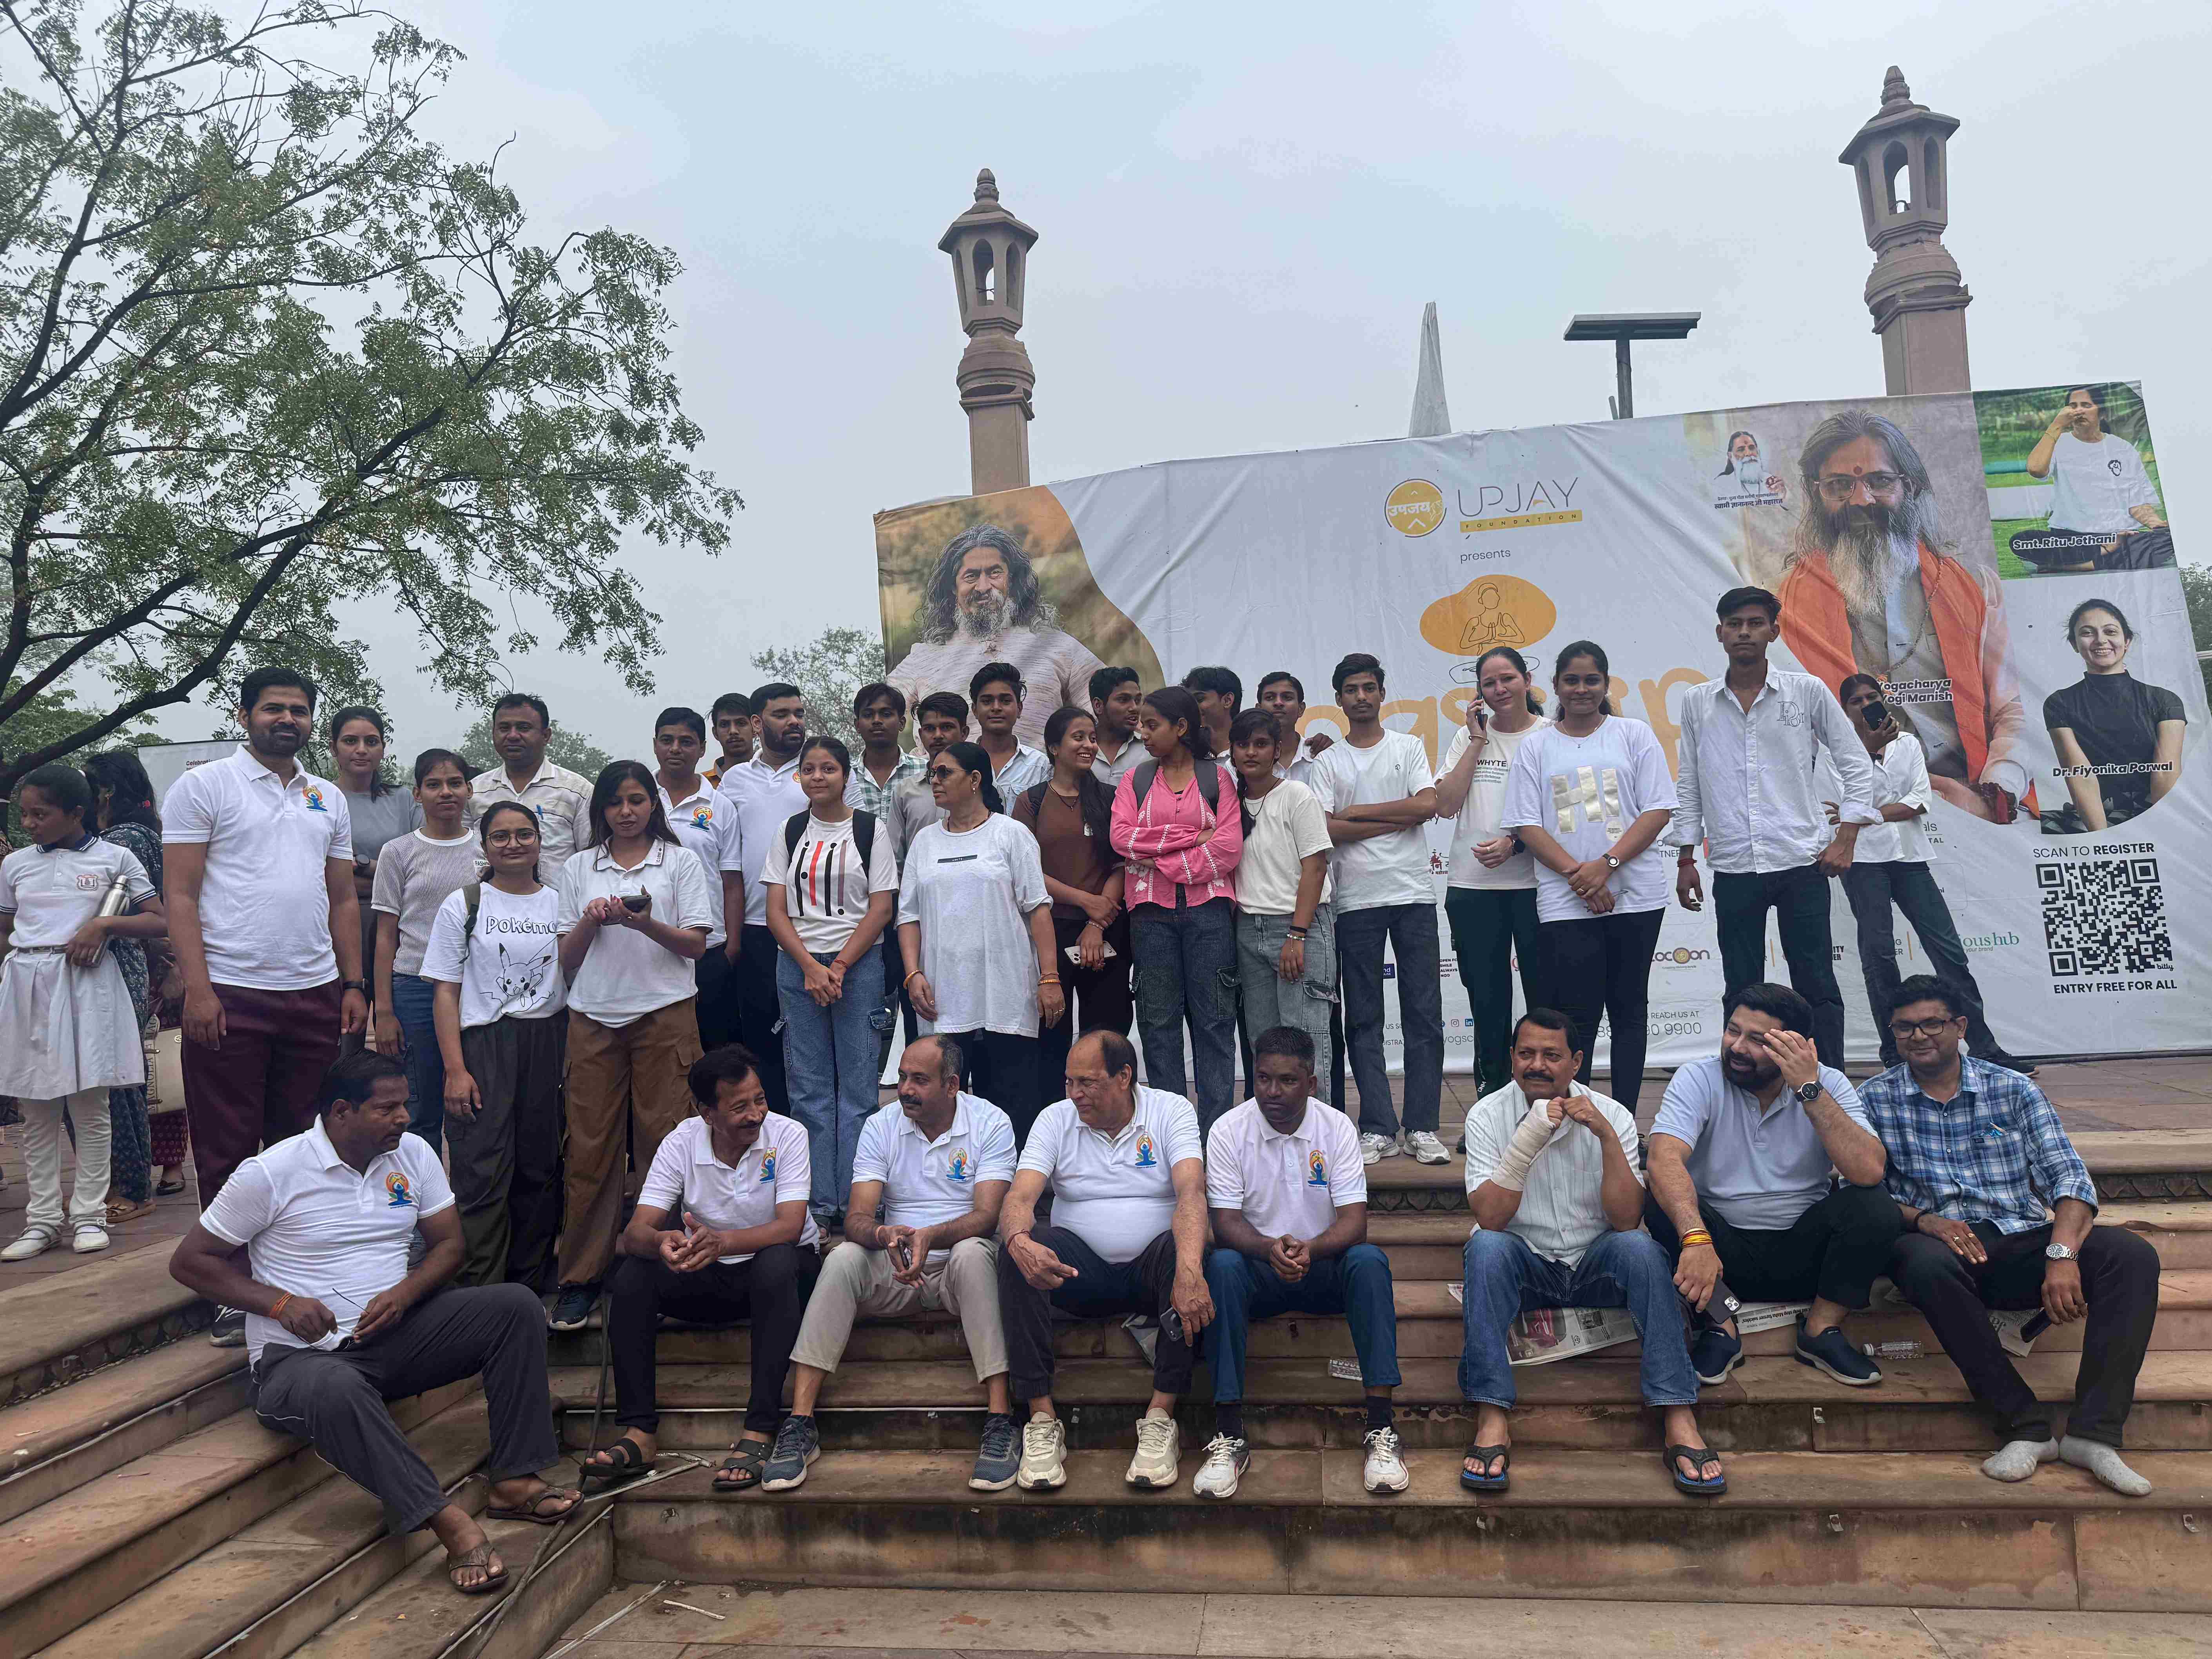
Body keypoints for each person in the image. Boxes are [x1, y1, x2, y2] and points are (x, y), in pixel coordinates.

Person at [171, 1052, 579, 1594]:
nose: (404, 1117)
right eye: (387, 1108)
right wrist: (280, 1303)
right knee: (337, 1386)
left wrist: (405, 1294)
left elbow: (450, 1245)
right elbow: (190, 1262)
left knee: (515, 1306)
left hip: (391, 1339)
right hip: (299, 1361)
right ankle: (446, 1520)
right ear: (341, 1112)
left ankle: (515, 1479)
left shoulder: (412, 1153)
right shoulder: (272, 1171)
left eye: (405, 1104)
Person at [1867, 976, 2159, 1496]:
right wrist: (1924, 1220)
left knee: (2130, 1254)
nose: (1918, 1036)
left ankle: (2093, 1434)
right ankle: (2024, 1427)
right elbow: (1860, 1197)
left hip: (2021, 1238)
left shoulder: (2012, 1088)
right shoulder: (1873, 1099)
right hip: (1940, 1250)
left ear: (1960, 1027)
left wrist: (2061, 1254)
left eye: (1931, 1023)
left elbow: (2069, 1178)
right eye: (1904, 1027)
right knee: (1920, 1260)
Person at [166, 668, 368, 1345]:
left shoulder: (326, 797)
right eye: (273, 708)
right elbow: (180, 895)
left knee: (300, 1145)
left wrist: (353, 983)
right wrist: (198, 988)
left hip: (313, 992)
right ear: (244, 714)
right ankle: (229, 1290)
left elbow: (343, 898)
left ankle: (288, 1276)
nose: (287, 719)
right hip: (229, 991)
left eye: (299, 710)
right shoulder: (204, 787)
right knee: (227, 1145)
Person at [1458, 1009, 1720, 1497]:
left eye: (1551, 1055)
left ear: (1576, 1061)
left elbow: (1625, 1219)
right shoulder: (1487, 1115)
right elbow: (1491, 1217)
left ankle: (1678, 1412)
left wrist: (1606, 1137)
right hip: (1526, 1262)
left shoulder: (1613, 1114)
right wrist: (1527, 1138)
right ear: (1512, 1058)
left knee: (1640, 1248)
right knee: (1486, 1246)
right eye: (1526, 1053)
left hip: (1595, 1261)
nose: (1537, 1064)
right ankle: (1492, 1413)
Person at [772, 1036, 1021, 1492]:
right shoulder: (882, 1124)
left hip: (959, 1268)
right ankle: (800, 1423)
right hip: (897, 1266)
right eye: (903, 1076)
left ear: (952, 1085)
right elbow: (857, 1218)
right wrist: (885, 1235)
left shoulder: (990, 1122)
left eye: (919, 1079)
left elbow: (988, 1217)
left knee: (973, 1252)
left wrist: (931, 1236)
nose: (905, 1088)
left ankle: (1001, 1419)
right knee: (843, 1256)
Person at [579, 1045, 820, 1496]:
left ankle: (759, 1429)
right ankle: (639, 1432)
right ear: (706, 1112)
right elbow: (637, 1231)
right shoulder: (682, 1141)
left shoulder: (787, 1134)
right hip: (709, 1271)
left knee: (777, 1260)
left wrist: (723, 1241)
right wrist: (663, 1242)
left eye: (760, 1099)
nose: (756, 1114)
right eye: (740, 1106)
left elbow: (790, 1227)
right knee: (632, 1275)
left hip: (782, 1278)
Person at [1777, 410, 2029, 823]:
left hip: (1973, 801)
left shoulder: (1974, 587)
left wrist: (1996, 790)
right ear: (1816, 493)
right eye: (1840, 485)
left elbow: (2013, 709)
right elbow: (1790, 730)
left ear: (1909, 486)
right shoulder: (1787, 605)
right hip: (1856, 808)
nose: (1861, 500)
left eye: (1880, 481)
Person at [1645, 984, 1900, 1389]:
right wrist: (1695, 1238)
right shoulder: (1699, 1077)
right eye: (1733, 1030)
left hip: (1806, 1255)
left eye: (1757, 1040)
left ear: (1795, 1047)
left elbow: (1868, 1170)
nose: (1737, 1047)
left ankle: (1820, 1331)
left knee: (1874, 1204)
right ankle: (1723, 1326)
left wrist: (1808, 1089)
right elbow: (1663, 1158)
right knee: (1660, 1195)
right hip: (1718, 1258)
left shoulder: (1828, 1083)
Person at [996, 1031, 1211, 1492]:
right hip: (1078, 1273)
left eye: (1087, 1082)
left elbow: (1192, 1191)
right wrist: (1018, 1239)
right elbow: (1020, 1196)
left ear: (1124, 1076)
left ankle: (1160, 1417)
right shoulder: (1056, 1118)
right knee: (1016, 1249)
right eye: (1069, 1081)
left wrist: (1191, 1268)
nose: (1075, 1093)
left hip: (1154, 1271)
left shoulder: (1171, 1110)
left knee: (1189, 1249)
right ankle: (1041, 1418)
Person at [1673, 588, 1876, 1069]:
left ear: (1774, 631)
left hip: (1801, 862)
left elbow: (1855, 761)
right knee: (1740, 987)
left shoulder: (1806, 691)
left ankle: (1827, 1084)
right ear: (1720, 632)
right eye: (1735, 623)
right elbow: (1689, 782)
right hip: (1734, 866)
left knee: (1816, 984)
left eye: (1755, 623)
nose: (1744, 632)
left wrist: (1846, 837)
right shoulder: (1698, 702)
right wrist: (1685, 856)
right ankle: (1743, 1081)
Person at [1200, 1026, 1404, 1497]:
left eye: (1287, 1080)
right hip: (1258, 1271)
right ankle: (1229, 1433)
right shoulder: (1228, 1129)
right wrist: (1269, 1248)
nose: (1272, 1091)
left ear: (1311, 1083)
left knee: (1369, 1261)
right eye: (1263, 1078)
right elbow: (1225, 1223)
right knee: (1222, 1266)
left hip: (1322, 1267)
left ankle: (1381, 1427)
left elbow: (1355, 1222)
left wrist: (1310, 1249)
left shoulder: (1337, 1127)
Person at [548, 761, 715, 1332]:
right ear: (601, 809)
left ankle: (664, 1270)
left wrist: (644, 924)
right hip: (593, 1017)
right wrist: (592, 922)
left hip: (665, 1016)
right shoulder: (579, 867)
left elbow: (696, 945)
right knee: (588, 1151)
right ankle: (580, 1279)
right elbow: (566, 958)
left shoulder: (679, 861)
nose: (626, 811)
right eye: (615, 802)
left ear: (653, 805)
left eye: (637, 800)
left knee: (666, 1146)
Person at [1500, 642, 1674, 1112]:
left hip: (1636, 896)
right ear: (1555, 686)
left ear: (1606, 684)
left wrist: (1606, 866)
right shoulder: (1537, 745)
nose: (1581, 689)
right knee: (1577, 1016)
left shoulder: (1633, 734)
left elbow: (1657, 810)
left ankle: (1625, 1120)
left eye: (1591, 680)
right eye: (1572, 680)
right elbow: (1526, 824)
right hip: (1565, 900)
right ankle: (1579, 1119)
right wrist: (1582, 878)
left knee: (1629, 1009)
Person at [0, 765, 165, 1260]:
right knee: (36, 1109)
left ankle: (89, 1215)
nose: (28, 824)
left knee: (91, 1106)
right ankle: (43, 1220)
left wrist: (104, 925)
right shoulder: (16, 865)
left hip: (88, 982)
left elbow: (158, 919)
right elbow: (5, 928)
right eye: (24, 814)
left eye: (40, 814)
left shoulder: (116, 857)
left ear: (76, 812)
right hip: (28, 983)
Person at [1831, 674, 2032, 1072]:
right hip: (1864, 861)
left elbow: (1919, 802)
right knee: (1879, 956)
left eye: (1872, 697)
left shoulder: (1906, 743)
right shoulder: (1835, 750)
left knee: (1948, 951)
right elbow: (1839, 803)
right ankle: (1893, 1052)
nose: (1867, 705)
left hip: (1910, 856)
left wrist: (1866, 814)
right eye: (1857, 701)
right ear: (1845, 709)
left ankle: (1985, 1047)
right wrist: (1866, 761)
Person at [1309, 655, 1446, 1165]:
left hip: (1412, 894)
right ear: (1339, 699)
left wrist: (1360, 813)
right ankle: (1377, 1128)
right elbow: (1326, 828)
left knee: (1423, 1014)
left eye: (1369, 687)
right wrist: (1395, 818)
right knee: (1364, 1018)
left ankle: (1422, 1126)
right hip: (1356, 900)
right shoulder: (1329, 762)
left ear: (1382, 694)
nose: (1361, 697)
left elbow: (1426, 805)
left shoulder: (1407, 747)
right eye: (1352, 689)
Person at [425, 801, 567, 1290]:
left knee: (540, 1165)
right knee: (481, 1167)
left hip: (547, 1040)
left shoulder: (559, 902)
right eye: (501, 836)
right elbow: (445, 991)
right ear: (484, 845)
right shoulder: (465, 903)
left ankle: (530, 1283)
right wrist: (455, 1069)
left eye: (525, 834)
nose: (513, 844)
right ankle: (481, 1288)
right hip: (484, 1043)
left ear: (540, 841)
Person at [898, 742, 1064, 1139]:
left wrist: (1050, 977)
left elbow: (1038, 910)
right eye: (932, 773)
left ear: (975, 780)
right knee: (942, 1103)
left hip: (1005, 993)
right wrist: (913, 974)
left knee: (1011, 1101)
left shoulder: (1011, 834)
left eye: (945, 773)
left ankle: (1014, 1178)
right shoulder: (924, 842)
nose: (935, 781)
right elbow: (908, 916)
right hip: (941, 995)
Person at [764, 735, 898, 1222]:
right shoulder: (789, 830)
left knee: (860, 1089)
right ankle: (819, 1203)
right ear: (798, 776)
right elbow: (775, 911)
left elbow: (881, 908)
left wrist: (837, 966)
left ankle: (858, 1204)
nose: (818, 777)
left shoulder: (870, 829)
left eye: (828, 768)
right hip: (798, 964)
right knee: (808, 1088)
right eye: (809, 769)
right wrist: (810, 966)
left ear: (846, 775)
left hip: (858, 965)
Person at [1111, 686, 1243, 1130]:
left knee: (1215, 1023)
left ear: (1181, 727)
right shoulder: (1135, 780)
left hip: (1210, 913)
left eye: (1152, 725)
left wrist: (1161, 861)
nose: (1143, 734)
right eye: (1141, 726)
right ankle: (1174, 1134)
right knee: (1158, 1024)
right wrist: (1193, 838)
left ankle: (1216, 1133)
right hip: (1149, 915)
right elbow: (1122, 839)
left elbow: (1227, 848)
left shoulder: (1217, 779)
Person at [1434, 647, 1550, 1097]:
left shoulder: (1549, 734)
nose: (1500, 689)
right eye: (1489, 683)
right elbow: (1445, 805)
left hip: (1539, 887)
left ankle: (1546, 1102)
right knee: (1488, 1005)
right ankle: (1492, 1104)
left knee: (1545, 1002)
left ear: (1527, 680)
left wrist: (1515, 842)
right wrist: (1477, 740)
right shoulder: (1468, 737)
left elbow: (1561, 813)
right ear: (1479, 691)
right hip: (1473, 888)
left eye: (1508, 679)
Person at [887, 522, 1106, 751]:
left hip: (1041, 775)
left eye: (994, 573)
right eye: (971, 576)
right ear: (953, 588)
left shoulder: (1056, 644)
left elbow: (1109, 713)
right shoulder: (924, 656)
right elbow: (877, 714)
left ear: (1011, 581)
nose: (983, 587)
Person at [1011, 706, 1132, 1095]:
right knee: (1050, 1035)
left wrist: (1096, 922)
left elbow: (1122, 864)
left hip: (1106, 927)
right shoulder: (1030, 802)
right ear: (1053, 747)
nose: (1089, 745)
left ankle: (1111, 1114)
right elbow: (1027, 871)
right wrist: (1085, 901)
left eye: (1092, 738)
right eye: (1078, 737)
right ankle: (1054, 1120)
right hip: (1049, 929)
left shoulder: (1111, 798)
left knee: (1108, 1035)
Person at [368, 751, 478, 1154]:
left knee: (472, 1101)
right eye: (434, 785)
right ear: (417, 794)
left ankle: (469, 1191)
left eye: (454, 783)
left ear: (469, 790)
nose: (445, 792)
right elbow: (386, 936)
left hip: (477, 988)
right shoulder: (398, 852)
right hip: (415, 988)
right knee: (419, 1106)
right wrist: (384, 1011)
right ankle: (419, 1188)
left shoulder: (489, 846)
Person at [83, 750, 171, 1221]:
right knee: (117, 1075)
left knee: (115, 1077)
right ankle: (119, 1181)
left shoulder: (121, 840)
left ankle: (129, 1184)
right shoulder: (140, 832)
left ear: (106, 790)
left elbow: (126, 910)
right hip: (120, 960)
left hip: (114, 960)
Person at [1227, 708, 1335, 1087]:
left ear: (1276, 751)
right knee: (1263, 1047)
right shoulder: (1227, 802)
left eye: (1261, 744)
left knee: (1305, 1045)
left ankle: (1317, 1126)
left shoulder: (1296, 795)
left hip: (1298, 927)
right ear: (1232, 751)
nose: (1251, 752)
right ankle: (1270, 1126)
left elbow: (1315, 868)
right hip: (1247, 929)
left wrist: (1297, 934)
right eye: (1242, 745)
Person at [717, 681, 807, 1117]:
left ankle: (814, 1142)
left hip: (812, 927)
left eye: (799, 713)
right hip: (754, 927)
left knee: (808, 1041)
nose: (794, 722)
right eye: (782, 714)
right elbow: (725, 856)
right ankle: (770, 1135)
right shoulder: (734, 780)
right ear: (757, 723)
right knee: (761, 1040)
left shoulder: (820, 768)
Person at [2042, 598, 2187, 835]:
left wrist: (2161, 834)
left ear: (2127, 641)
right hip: (2094, 813)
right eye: (2087, 633)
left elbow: (2165, 773)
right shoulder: (2059, 703)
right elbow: (2080, 776)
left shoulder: (2164, 700)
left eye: (2110, 632)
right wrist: (2103, 839)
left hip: (2156, 809)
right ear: (2075, 644)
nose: (2101, 640)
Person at [653, 706, 746, 1050]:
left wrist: (731, 947)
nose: (675, 749)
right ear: (655, 745)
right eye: (667, 740)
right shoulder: (639, 800)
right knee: (658, 1049)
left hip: (708, 947)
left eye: (686, 742)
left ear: (703, 748)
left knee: (713, 1049)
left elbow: (731, 882)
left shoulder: (720, 806)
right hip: (649, 942)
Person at [327, 707, 420, 1048]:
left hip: (398, 923)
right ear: (333, 747)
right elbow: (318, 873)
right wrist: (389, 870)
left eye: (371, 741)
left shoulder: (403, 800)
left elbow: (419, 866)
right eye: (350, 741)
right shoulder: (318, 799)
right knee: (343, 1033)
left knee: (397, 1033)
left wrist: (362, 866)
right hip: (335, 921)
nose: (361, 750)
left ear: (383, 748)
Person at [2016, 386, 2172, 572]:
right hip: (2074, 539)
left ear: (2103, 413)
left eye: (2086, 405)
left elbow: (2137, 503)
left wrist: (2155, 523)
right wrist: (2057, 425)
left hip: (2120, 536)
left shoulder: (2123, 448)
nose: (2079, 411)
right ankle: (2104, 556)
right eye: (2073, 406)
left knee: (2169, 540)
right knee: (2022, 542)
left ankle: (2077, 564)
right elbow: (2036, 470)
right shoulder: (2058, 443)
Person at [466, 693, 593, 870]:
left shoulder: (578, 791)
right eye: (504, 728)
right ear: (493, 733)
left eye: (524, 728)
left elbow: (590, 858)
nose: (513, 736)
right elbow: (461, 854)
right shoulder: (473, 792)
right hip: (485, 889)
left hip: (559, 890)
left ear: (546, 735)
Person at [846, 682, 926, 847]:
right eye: (868, 715)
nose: (877, 721)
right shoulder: (844, 778)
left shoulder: (925, 771)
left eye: (886, 714)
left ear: (902, 723)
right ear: (857, 726)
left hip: (916, 863)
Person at [891, 691, 967, 855]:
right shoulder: (904, 792)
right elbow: (895, 858)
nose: (938, 736)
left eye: (947, 727)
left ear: (964, 733)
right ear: (921, 735)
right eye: (930, 729)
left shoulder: (983, 787)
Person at [971, 661, 1051, 796]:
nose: (996, 708)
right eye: (987, 702)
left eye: (1006, 701)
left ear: (1019, 709)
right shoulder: (960, 763)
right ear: (975, 710)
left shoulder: (1040, 765)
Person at [1255, 671, 1336, 790]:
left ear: (1301, 709)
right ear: (1259, 709)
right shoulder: (1248, 758)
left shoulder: (1320, 755)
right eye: (1270, 698)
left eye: (1287, 698)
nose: (1278, 703)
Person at [1089, 666, 1146, 788]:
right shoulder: (1079, 750)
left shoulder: (1150, 750)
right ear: (1098, 705)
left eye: (1138, 700)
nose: (1134, 708)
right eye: (1123, 700)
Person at [1181, 666, 1242, 763]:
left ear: (1228, 700)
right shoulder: (1184, 751)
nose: (1192, 707)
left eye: (1200, 699)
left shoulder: (1251, 751)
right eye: (1189, 701)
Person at [1713, 430, 1787, 505]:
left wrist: (1783, 497)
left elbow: (1788, 506)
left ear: (1758, 452)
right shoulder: (1722, 484)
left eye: (1752, 448)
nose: (1749, 453)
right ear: (1731, 456)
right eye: (1741, 450)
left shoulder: (1772, 481)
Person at [704, 692, 757, 790]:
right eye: (724, 725)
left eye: (741, 723)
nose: (733, 731)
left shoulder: (774, 778)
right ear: (715, 733)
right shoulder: (702, 785)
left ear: (755, 728)